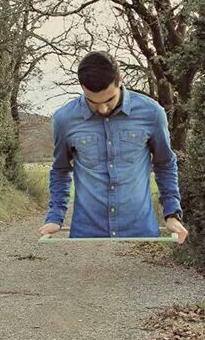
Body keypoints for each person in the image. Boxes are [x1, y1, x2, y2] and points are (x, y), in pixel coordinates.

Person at [37, 51, 188, 244]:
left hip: (141, 234)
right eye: (93, 102)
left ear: (120, 80)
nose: (102, 109)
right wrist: (55, 216)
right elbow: (61, 170)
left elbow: (165, 164)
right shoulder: (64, 119)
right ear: (82, 88)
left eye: (109, 100)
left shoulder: (152, 113)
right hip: (86, 237)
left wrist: (172, 214)